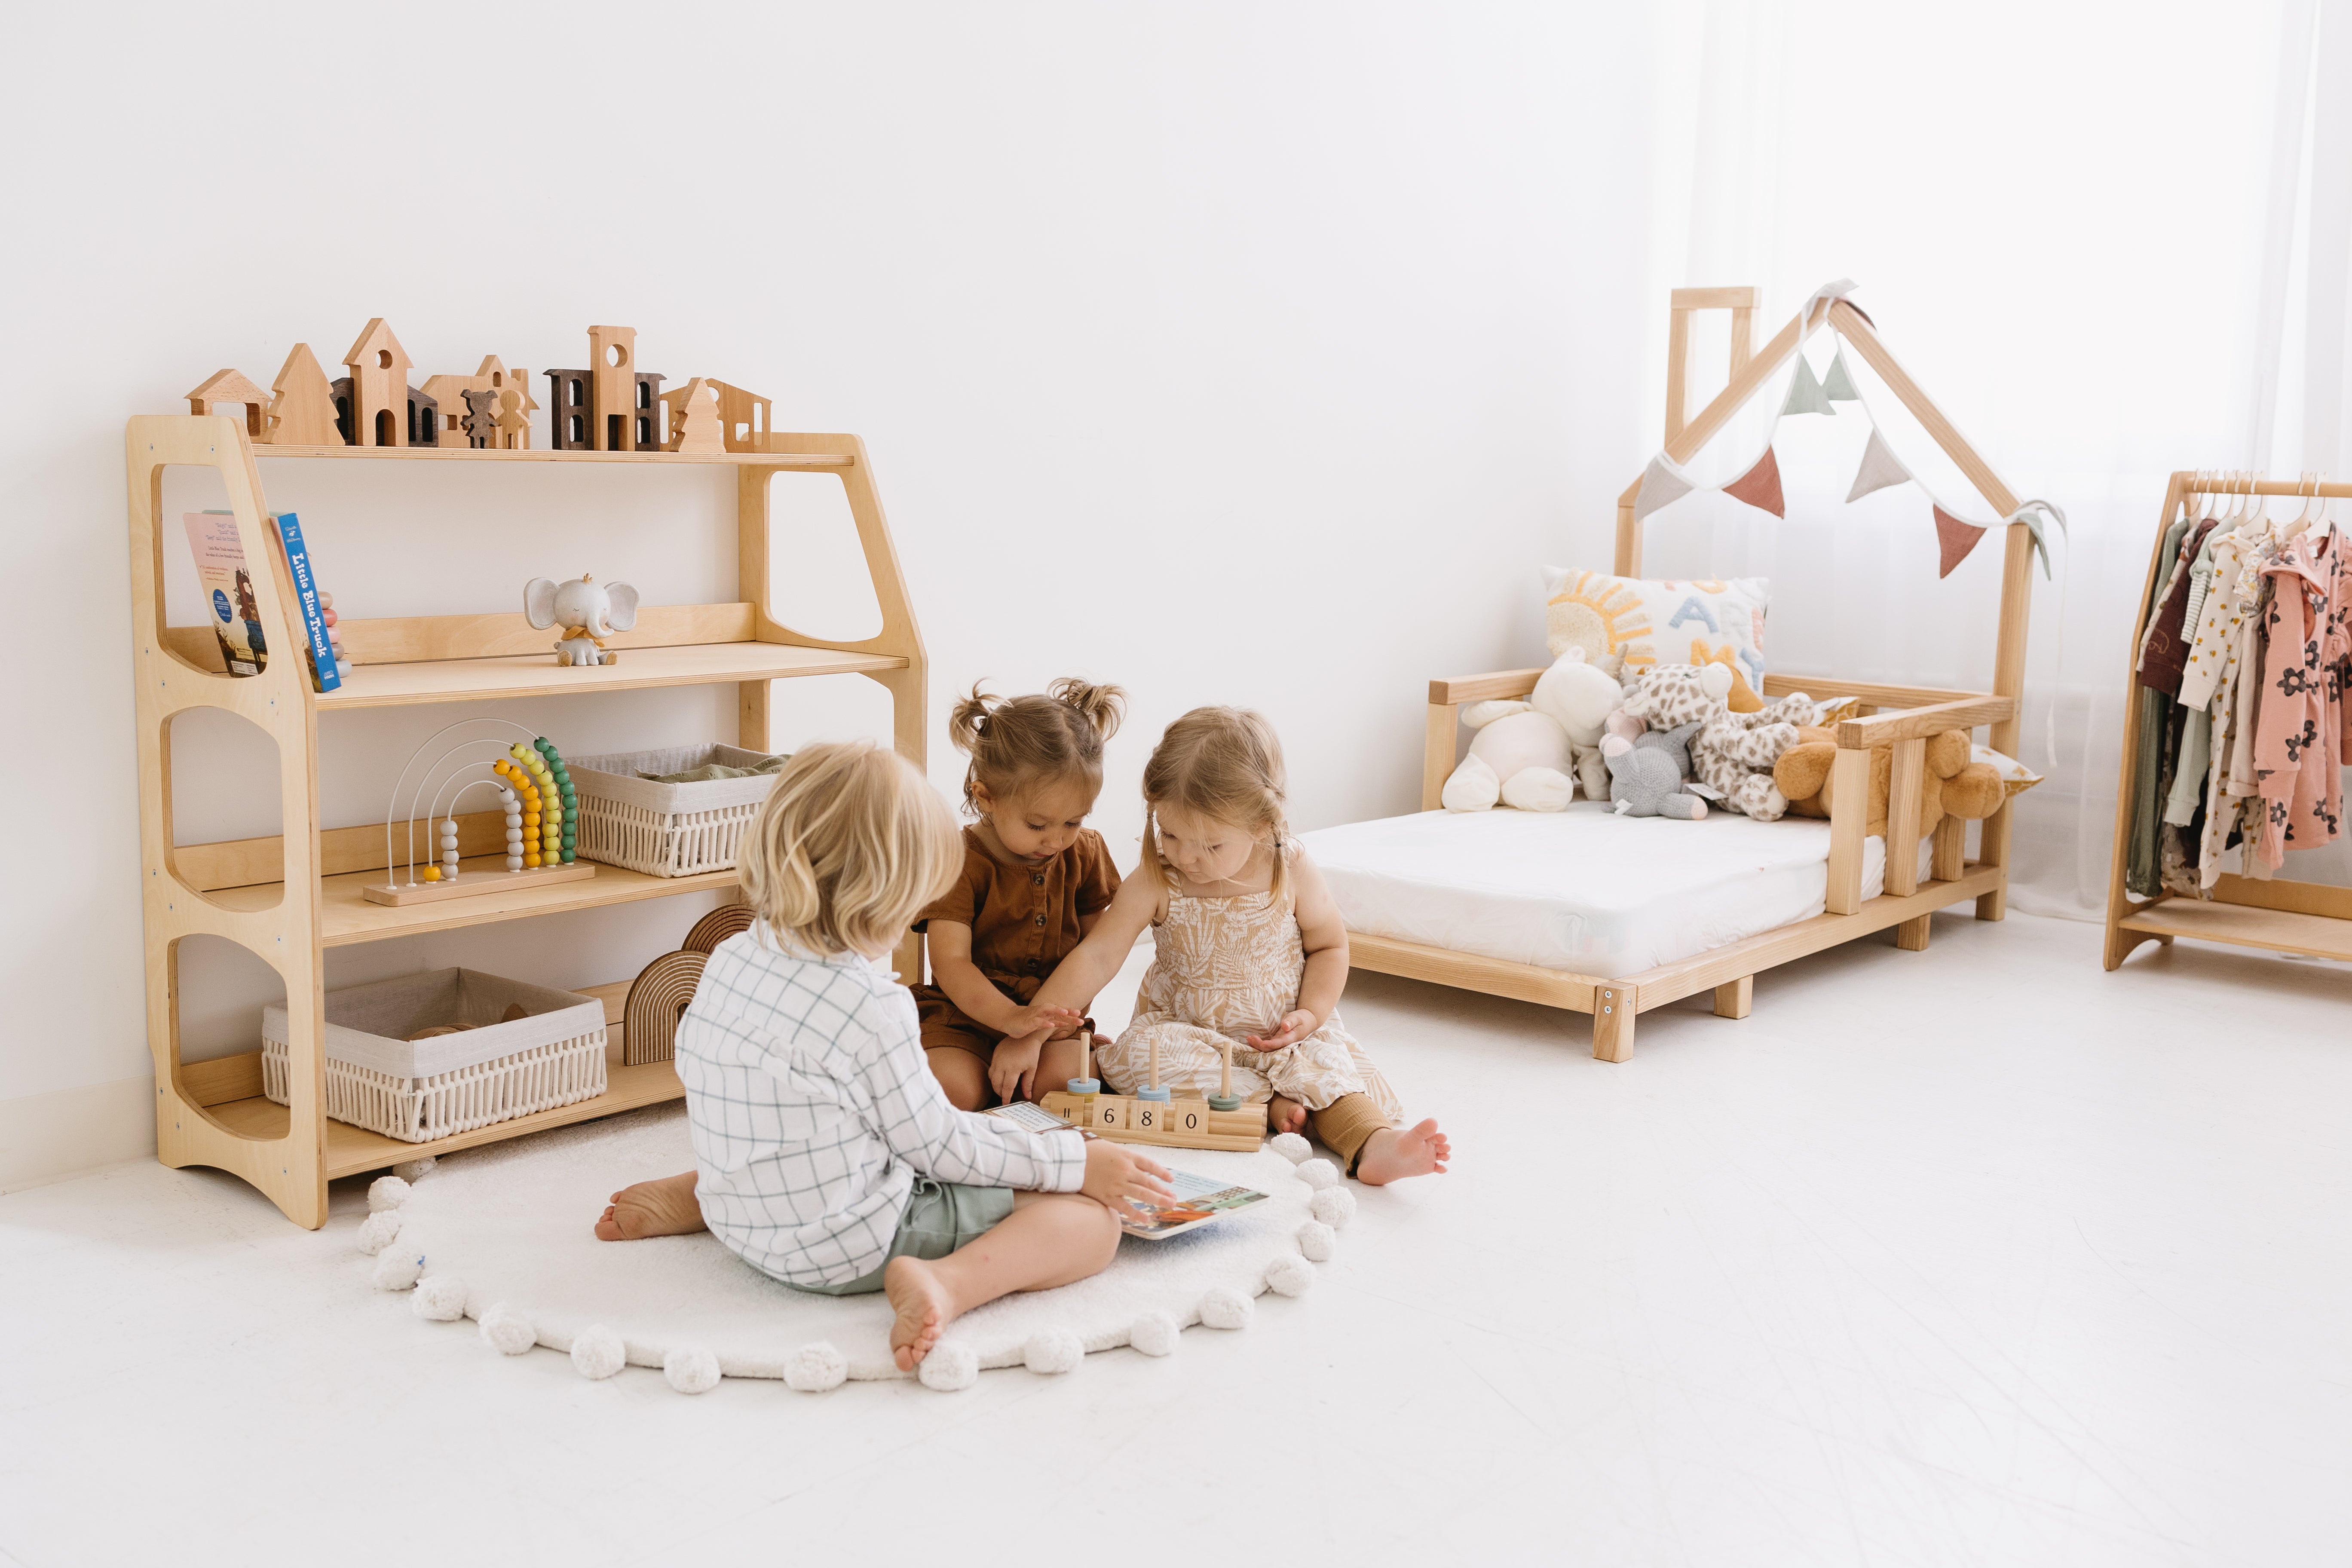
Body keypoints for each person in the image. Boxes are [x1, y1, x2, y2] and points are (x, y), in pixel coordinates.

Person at [591, 738, 1171, 1371]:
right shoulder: (868, 1004)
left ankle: (713, 1191)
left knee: (821, 1103)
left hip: (746, 1215)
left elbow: (715, 1072)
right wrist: (1074, 1163)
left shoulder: (731, 958)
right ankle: (948, 1283)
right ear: (886, 897)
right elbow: (940, 1148)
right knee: (1092, 1227)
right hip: (847, 1244)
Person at [1026, 707, 1450, 1185]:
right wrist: (1032, 1027)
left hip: (1282, 1032)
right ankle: (1275, 1104)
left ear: (1261, 826)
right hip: (1190, 1032)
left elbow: (1330, 946)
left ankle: (1372, 1143)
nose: (1186, 856)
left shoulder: (1287, 867)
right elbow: (1097, 954)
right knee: (1142, 1054)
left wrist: (1310, 1014)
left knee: (1326, 1067)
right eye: (1169, 833)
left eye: (1211, 846)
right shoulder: (1157, 878)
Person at [911, 678, 1127, 1109]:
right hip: (965, 1016)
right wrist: (1012, 1021)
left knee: (1063, 1089)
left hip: (1051, 1019)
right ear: (986, 798)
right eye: (1038, 825)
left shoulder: (1085, 852)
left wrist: (1043, 1028)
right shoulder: (957, 857)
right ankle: (986, 1075)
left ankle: (1084, 1053)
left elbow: (1097, 953)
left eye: (1073, 822)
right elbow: (951, 963)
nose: (1056, 840)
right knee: (949, 1092)